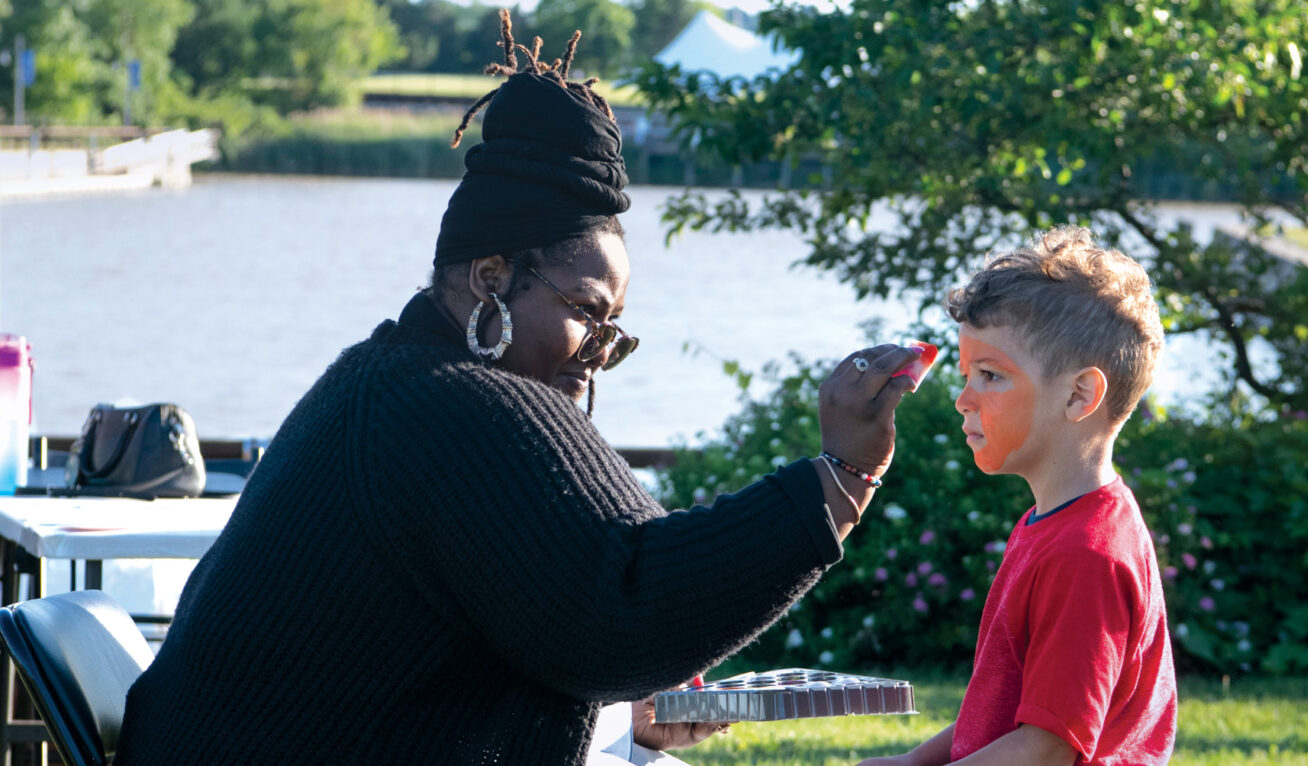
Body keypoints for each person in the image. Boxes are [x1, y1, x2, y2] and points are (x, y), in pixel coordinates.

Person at [115, 14, 922, 765]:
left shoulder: (391, 379)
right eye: (585, 313)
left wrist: (624, 716)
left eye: (616, 331)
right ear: (491, 275)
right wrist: (840, 472)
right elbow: (628, 598)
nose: (598, 352)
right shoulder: (456, 403)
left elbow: (513, 628)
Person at [860, 226, 1177, 766]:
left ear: (1079, 395)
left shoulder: (1086, 555)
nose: (963, 400)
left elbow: (1045, 749)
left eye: (989, 375)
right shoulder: (1050, 523)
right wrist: (913, 762)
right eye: (966, 375)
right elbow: (1007, 709)